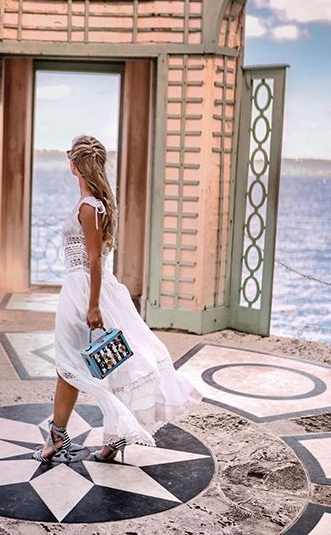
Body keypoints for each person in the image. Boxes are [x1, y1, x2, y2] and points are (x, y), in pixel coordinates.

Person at [33, 133, 205, 465]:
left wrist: (93, 305)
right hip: (87, 288)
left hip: (84, 290)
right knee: (99, 366)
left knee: (69, 366)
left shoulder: (88, 207)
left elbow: (94, 259)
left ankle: (60, 436)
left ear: (74, 166)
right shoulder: (94, 204)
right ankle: (109, 439)